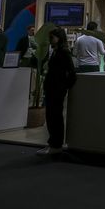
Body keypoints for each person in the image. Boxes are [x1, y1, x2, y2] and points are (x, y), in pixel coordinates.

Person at [36, 28, 76, 156]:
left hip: (57, 90)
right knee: (51, 116)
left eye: (52, 38)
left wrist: (64, 86)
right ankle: (52, 143)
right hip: (52, 88)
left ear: (59, 38)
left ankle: (56, 144)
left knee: (55, 117)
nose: (50, 40)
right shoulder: (56, 51)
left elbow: (71, 73)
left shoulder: (64, 52)